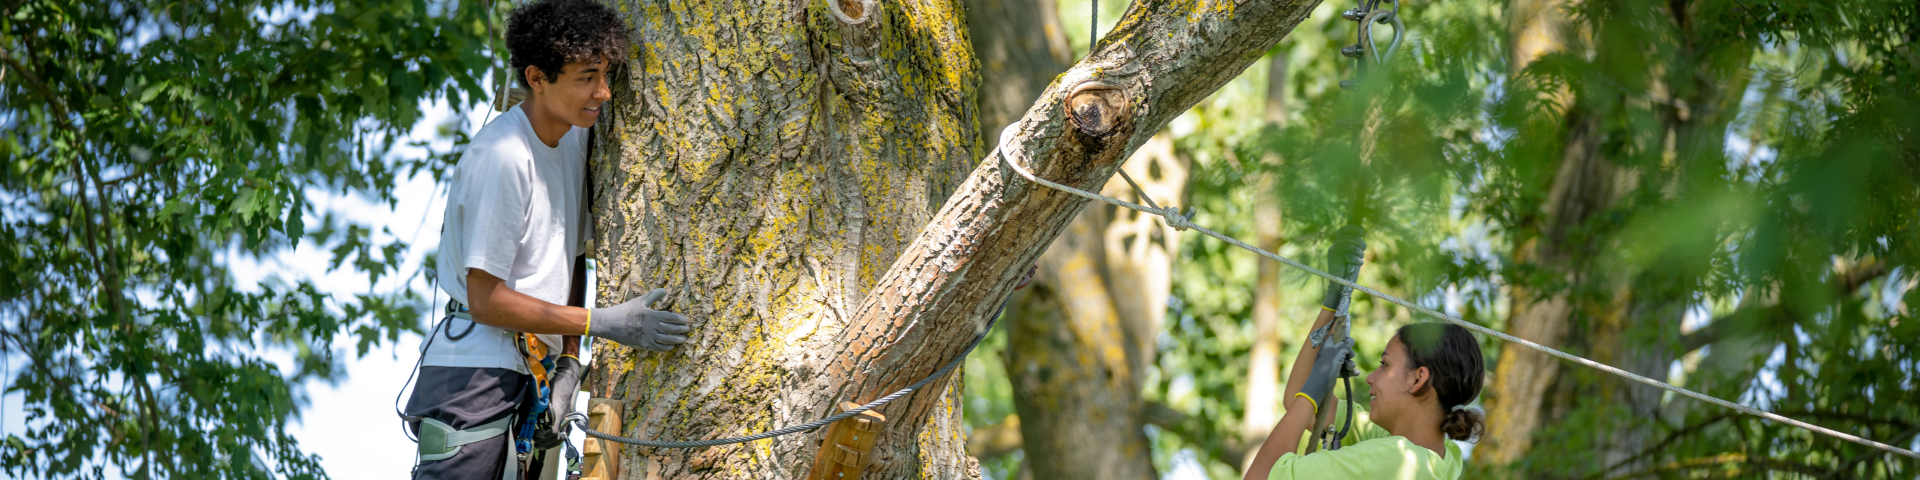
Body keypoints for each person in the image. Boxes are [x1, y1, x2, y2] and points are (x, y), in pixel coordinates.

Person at [403, 1, 693, 478]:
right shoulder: (504, 157)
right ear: (537, 78)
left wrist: (569, 360)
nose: (602, 91)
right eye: (585, 77)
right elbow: (485, 300)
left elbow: (573, 254)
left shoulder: (576, 139)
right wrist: (597, 323)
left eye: (604, 74)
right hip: (474, 375)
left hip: (531, 372)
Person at [1244, 226, 1487, 480]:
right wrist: (1333, 299)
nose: (1370, 378)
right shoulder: (1443, 457)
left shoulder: (1393, 459)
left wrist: (1318, 381)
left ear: (1418, 378)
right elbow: (1299, 403)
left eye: (1385, 365)